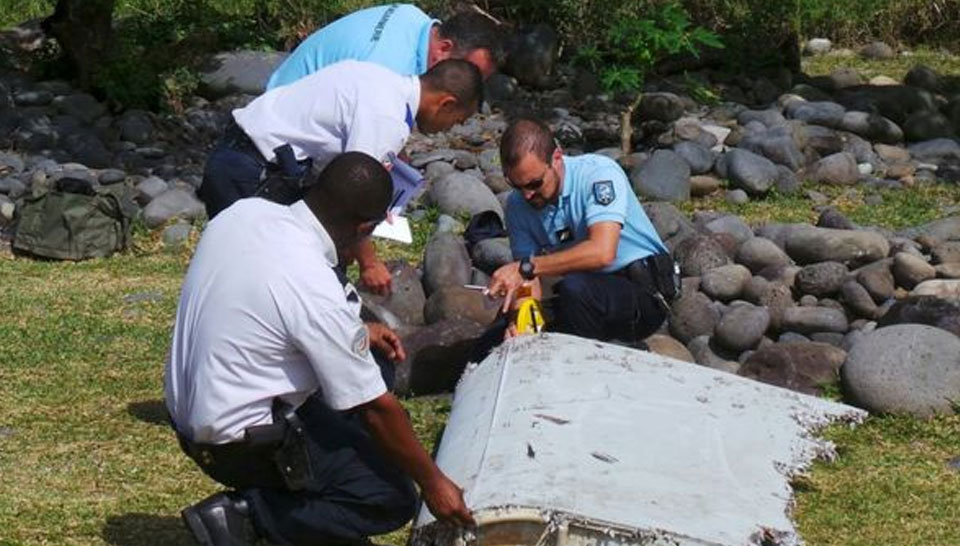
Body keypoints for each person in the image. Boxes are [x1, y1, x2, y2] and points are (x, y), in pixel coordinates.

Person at [166, 152, 474, 546]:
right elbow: (377, 410)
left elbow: (267, 309)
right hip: (236, 440)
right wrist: (434, 482)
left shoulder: (245, 213)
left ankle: (324, 534)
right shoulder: (310, 281)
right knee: (387, 497)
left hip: (192, 410)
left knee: (375, 368)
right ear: (364, 228)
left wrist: (361, 331)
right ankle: (241, 516)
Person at [197, 58, 483, 295]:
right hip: (254, 170)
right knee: (259, 278)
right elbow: (354, 196)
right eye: (455, 121)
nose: (448, 129)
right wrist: (369, 263)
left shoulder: (378, 76)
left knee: (240, 268)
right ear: (446, 103)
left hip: (236, 151)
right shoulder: (388, 119)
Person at [484, 118, 674, 346]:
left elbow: (602, 252)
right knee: (496, 337)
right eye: (517, 186)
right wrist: (522, 323)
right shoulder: (518, 205)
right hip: (585, 293)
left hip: (641, 293)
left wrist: (526, 267)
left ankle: (598, 361)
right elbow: (527, 283)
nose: (527, 195)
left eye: (534, 184)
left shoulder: (598, 174)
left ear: (556, 159)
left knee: (575, 290)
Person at [266, 4, 501, 90]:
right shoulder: (389, 70)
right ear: (443, 49)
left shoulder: (412, 16)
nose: (471, 88)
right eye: (472, 74)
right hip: (280, 127)